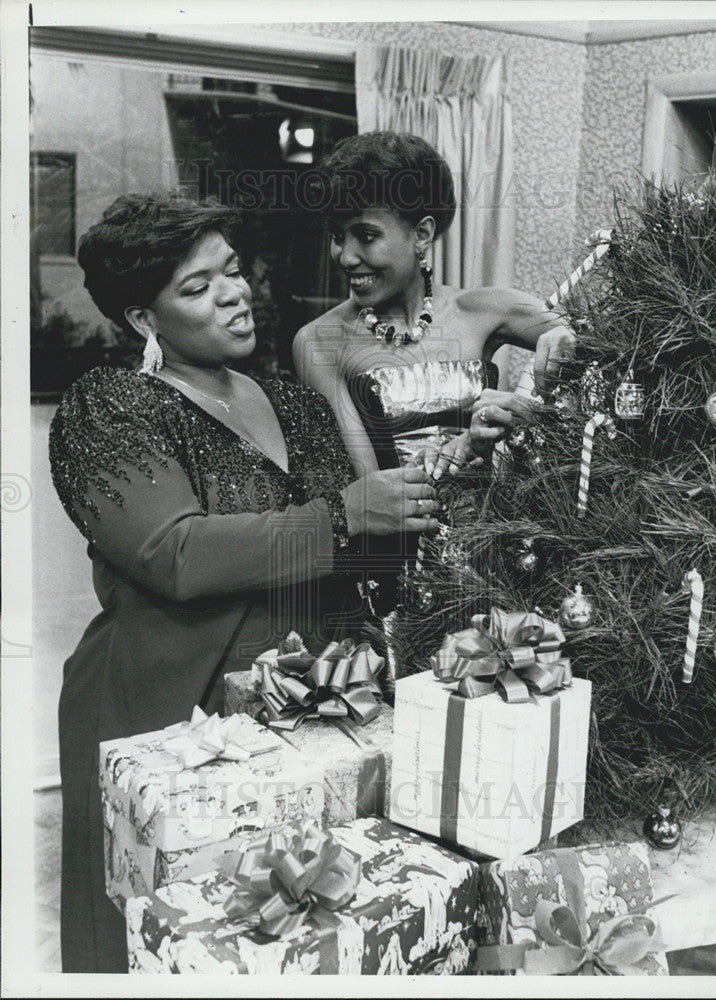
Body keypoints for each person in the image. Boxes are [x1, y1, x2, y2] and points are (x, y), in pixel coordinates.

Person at [49, 193, 441, 973]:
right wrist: (344, 515)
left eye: (231, 271)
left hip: (310, 710)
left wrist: (441, 474)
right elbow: (176, 555)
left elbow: (353, 554)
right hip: (166, 710)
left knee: (300, 933)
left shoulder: (294, 401)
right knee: (174, 938)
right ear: (142, 321)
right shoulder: (107, 406)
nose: (233, 293)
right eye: (196, 287)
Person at [292, 132, 575, 604]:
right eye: (338, 236)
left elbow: (606, 344)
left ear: (421, 234)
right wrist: (468, 446)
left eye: (366, 235)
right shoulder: (319, 342)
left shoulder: (482, 309)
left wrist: (545, 386)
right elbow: (368, 489)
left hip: (504, 553)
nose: (346, 257)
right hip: (398, 572)